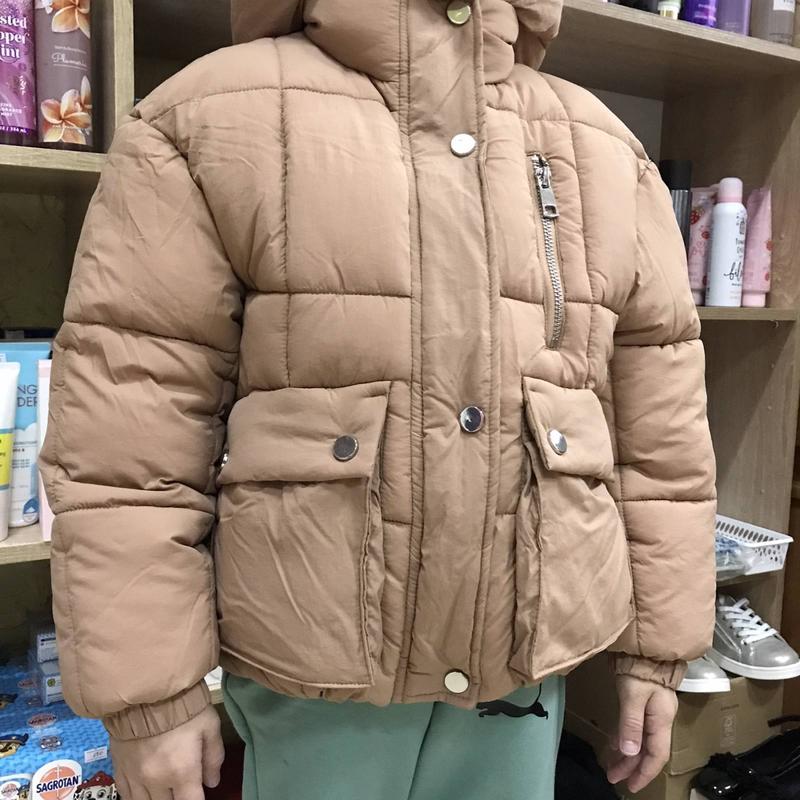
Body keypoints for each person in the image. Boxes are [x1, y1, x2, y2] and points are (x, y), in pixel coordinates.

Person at [40, 1, 717, 798]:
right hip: (315, 665)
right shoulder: (203, 118)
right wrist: (150, 694)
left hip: (523, 663)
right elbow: (129, 428)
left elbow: (662, 435)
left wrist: (658, 648)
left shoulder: (602, 148)